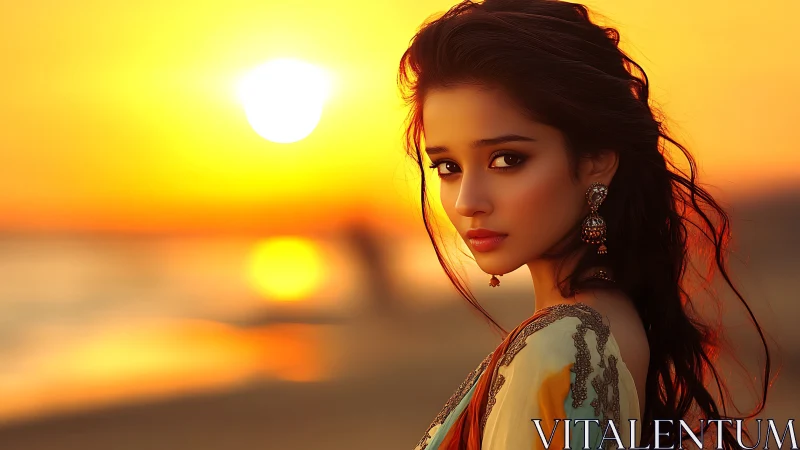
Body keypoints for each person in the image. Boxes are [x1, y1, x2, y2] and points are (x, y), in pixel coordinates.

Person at [396, 1, 773, 449]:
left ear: (595, 161)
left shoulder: (562, 349)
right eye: (447, 166)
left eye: (507, 159)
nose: (467, 201)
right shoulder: (612, 321)